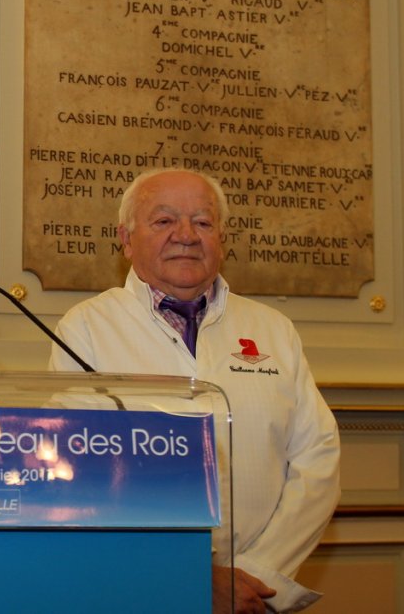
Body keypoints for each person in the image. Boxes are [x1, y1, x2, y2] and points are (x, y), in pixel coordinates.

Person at [49, 168, 340, 614]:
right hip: (142, 591)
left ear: (222, 238)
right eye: (163, 221)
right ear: (126, 239)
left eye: (203, 222)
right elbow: (80, 473)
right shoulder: (86, 328)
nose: (186, 235)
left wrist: (256, 577)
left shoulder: (273, 329)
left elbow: (316, 460)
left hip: (256, 597)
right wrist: (190, 578)